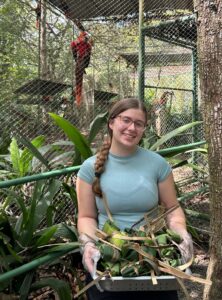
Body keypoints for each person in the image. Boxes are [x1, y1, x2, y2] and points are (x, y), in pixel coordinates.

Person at [76, 98, 193, 300]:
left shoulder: (157, 164)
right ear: (112, 122)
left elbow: (172, 208)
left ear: (144, 129)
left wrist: (182, 233)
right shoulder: (89, 168)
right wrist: (88, 244)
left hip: (154, 257)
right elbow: (86, 216)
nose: (132, 128)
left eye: (139, 124)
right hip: (108, 259)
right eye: (126, 120)